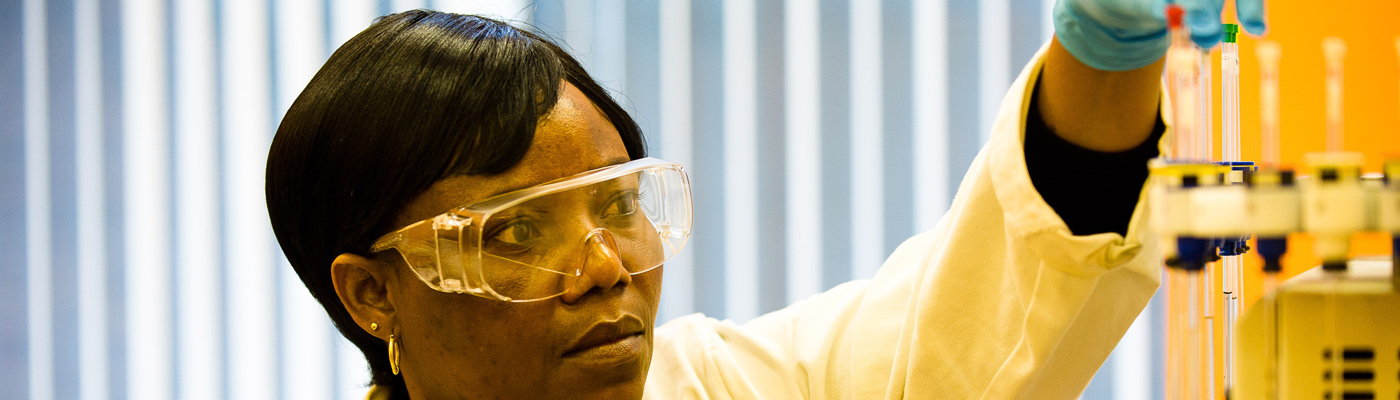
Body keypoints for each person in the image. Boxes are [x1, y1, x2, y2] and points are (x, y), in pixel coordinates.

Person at [263, 0, 1265, 398]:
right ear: (370, 294)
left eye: (615, 205)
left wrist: (1105, 46)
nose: (607, 267)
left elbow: (967, 321)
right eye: (517, 230)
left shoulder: (721, 384)